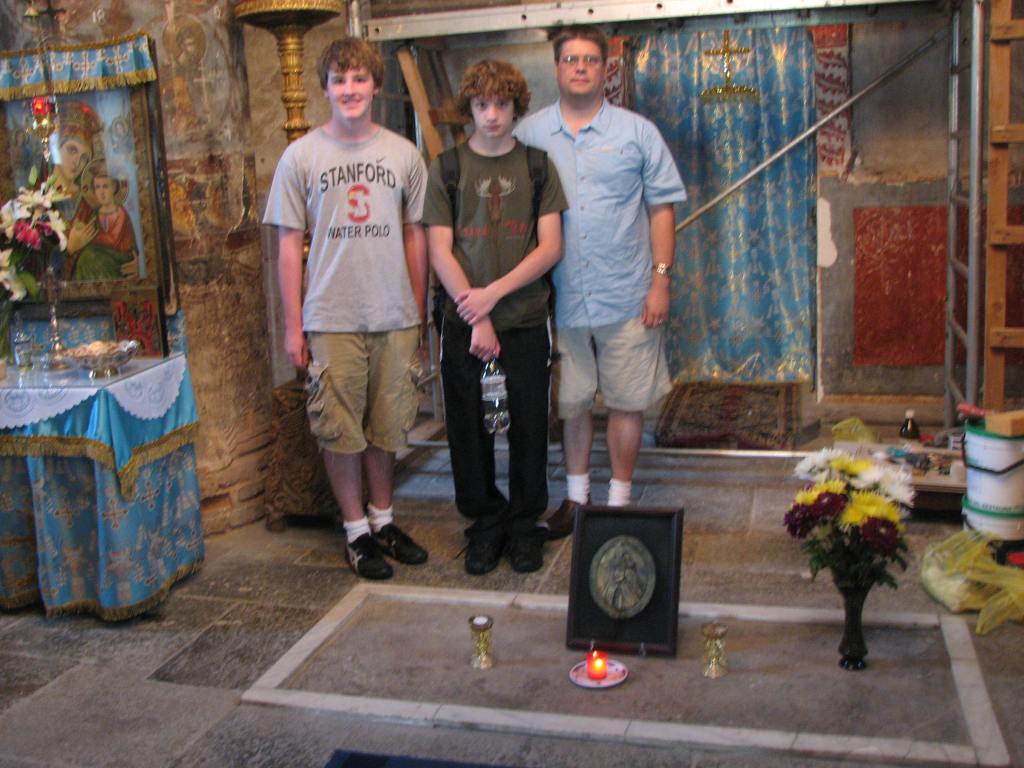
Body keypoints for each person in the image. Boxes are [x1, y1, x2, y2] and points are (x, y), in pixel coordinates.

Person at [263, 38, 430, 580]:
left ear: (376, 86)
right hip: (331, 314)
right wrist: (295, 325)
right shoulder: (302, 156)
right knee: (339, 429)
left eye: (360, 79)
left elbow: (415, 236)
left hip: (393, 312)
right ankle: (355, 533)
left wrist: (419, 310)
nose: (350, 89)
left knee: (387, 426)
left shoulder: (403, 153)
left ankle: (384, 520)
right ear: (325, 88)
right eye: (340, 80)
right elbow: (289, 245)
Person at [514, 26, 686, 534]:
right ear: (558, 67)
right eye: (571, 59)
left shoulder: (637, 133)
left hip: (627, 294)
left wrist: (661, 281)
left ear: (606, 67)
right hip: (559, 299)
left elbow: (661, 210)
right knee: (572, 404)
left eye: (591, 59)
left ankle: (619, 501)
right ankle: (576, 500)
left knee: (627, 402)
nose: (582, 67)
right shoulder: (530, 135)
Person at [422, 60, 567, 574]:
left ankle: (525, 526)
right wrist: (475, 312)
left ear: (515, 107)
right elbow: (440, 249)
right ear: (469, 109)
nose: (491, 115)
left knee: (529, 424)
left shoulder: (537, 165)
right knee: (467, 427)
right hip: (464, 323)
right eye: (481, 105)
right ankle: (485, 523)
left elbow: (550, 246)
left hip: (525, 317)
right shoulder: (447, 168)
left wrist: (495, 296)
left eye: (501, 104)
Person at [66, 160, 139, 281]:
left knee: (88, 256)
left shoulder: (120, 213)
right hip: (99, 256)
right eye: (97, 187)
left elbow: (113, 240)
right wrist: (79, 229)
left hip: (119, 259)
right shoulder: (94, 213)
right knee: (87, 256)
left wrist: (88, 236)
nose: (101, 192)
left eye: (105, 186)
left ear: (114, 187)